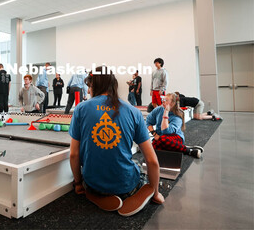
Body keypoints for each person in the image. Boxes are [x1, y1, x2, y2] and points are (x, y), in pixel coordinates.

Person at [69, 67, 164, 216]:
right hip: (126, 184)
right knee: (136, 165)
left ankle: (93, 192)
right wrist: (156, 193)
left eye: (89, 87)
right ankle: (137, 192)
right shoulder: (133, 111)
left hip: (92, 182)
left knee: (89, 172)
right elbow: (152, 161)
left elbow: (74, 154)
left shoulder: (80, 109)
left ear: (95, 85)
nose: (88, 91)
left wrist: (78, 184)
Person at [145, 92, 203, 158]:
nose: (163, 102)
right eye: (163, 100)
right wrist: (154, 134)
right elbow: (148, 121)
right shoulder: (159, 109)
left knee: (163, 140)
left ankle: (188, 151)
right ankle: (177, 147)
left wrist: (165, 113)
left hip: (175, 137)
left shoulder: (178, 116)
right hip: (159, 137)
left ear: (173, 103)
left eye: (166, 100)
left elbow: (165, 131)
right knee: (154, 146)